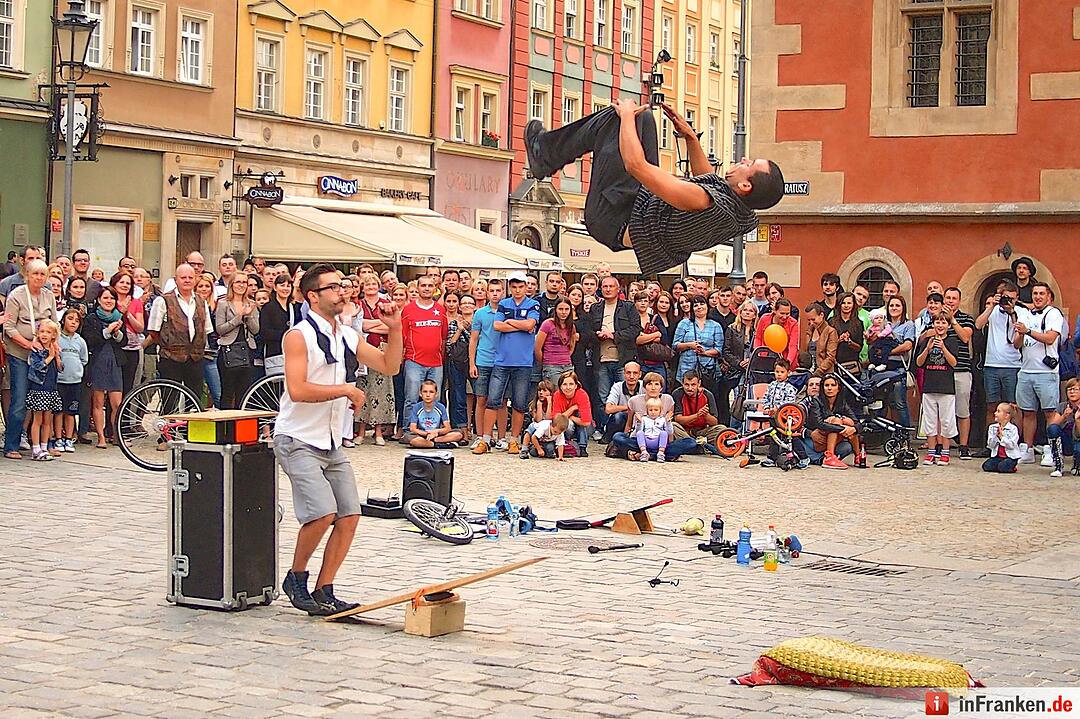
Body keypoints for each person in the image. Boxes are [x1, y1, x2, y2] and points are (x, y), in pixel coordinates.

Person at [524, 101, 783, 276]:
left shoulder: (701, 200)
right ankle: (546, 154)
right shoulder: (738, 210)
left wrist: (625, 117)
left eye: (749, 164)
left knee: (616, 119)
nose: (744, 160)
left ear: (746, 185)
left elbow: (635, 165)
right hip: (636, 206)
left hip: (612, 219)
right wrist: (691, 138)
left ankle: (544, 154)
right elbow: (708, 179)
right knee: (644, 118)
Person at [276, 263, 403, 617]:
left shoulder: (346, 333)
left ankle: (325, 588)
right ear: (313, 296)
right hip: (297, 437)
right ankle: (296, 577)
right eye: (332, 287)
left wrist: (395, 329)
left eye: (342, 286)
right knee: (321, 512)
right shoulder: (298, 335)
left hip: (331, 439)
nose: (341, 291)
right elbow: (298, 390)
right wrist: (345, 389)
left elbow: (388, 365)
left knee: (349, 514)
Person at [475, 272, 539, 456]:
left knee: (519, 403)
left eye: (521, 287)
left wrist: (510, 322)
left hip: (523, 361)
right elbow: (498, 326)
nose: (517, 290)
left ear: (526, 287)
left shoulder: (533, 304)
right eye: (514, 287)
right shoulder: (504, 304)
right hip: (502, 360)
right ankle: (485, 440)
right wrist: (520, 324)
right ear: (510, 287)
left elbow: (531, 325)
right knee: (493, 400)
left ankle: (514, 440)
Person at [4, 259, 57, 459]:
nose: (39, 278)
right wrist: (28, 344)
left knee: (43, 400)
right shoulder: (16, 296)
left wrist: (54, 349)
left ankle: (42, 443)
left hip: (44, 356)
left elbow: (54, 324)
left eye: (42, 275)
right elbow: (8, 328)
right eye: (35, 274)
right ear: (27, 275)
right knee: (19, 399)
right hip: (20, 354)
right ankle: (11, 445)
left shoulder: (48, 295)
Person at [1012, 281, 1062, 464]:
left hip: (1046, 372)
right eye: (1035, 294)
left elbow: (1050, 338)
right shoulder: (1025, 314)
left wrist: (1028, 331)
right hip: (1026, 370)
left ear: (1048, 297)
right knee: (1028, 412)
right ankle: (1028, 449)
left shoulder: (1053, 314)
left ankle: (1051, 450)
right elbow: (1017, 344)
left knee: (1050, 412)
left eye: (1042, 293)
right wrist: (1020, 334)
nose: (1038, 297)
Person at [147, 263, 212, 401]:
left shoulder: (202, 302)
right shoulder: (163, 300)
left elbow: (206, 329)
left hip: (195, 358)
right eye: (183, 277)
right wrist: (169, 344)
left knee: (194, 401)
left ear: (195, 279)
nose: (187, 280)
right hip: (171, 358)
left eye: (190, 277)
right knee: (170, 401)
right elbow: (154, 331)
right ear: (176, 280)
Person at [610, 372, 699, 461]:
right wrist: (627, 444)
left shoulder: (668, 399)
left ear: (661, 388)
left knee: (691, 442)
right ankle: (658, 455)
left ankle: (650, 455)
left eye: (656, 384)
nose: (653, 387)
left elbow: (669, 430)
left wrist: (669, 443)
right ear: (644, 387)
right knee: (618, 437)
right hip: (640, 440)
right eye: (649, 384)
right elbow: (629, 424)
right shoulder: (634, 401)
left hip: (661, 441)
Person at [975, 280, 1022, 446]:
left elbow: (1017, 341)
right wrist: (991, 305)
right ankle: (990, 444)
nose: (1008, 302)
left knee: (1013, 407)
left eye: (1012, 298)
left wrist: (1012, 313)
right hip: (991, 365)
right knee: (991, 407)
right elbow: (978, 324)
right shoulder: (993, 310)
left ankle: (1014, 443)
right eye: (1005, 298)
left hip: (1012, 365)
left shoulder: (1020, 312)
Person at [400, 274, 448, 437]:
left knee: (436, 398)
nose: (427, 288)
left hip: (436, 363)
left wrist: (440, 358)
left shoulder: (440, 310)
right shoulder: (408, 310)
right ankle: (408, 430)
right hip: (414, 361)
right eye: (423, 285)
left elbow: (443, 337)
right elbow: (403, 335)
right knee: (412, 398)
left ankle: (433, 430)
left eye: (430, 285)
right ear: (417, 288)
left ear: (435, 288)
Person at [589, 276, 637, 437]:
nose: (608, 289)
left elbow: (635, 329)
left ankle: (623, 429)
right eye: (605, 286)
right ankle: (605, 430)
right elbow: (588, 331)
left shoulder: (628, 307)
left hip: (622, 359)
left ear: (618, 289)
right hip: (601, 359)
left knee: (622, 396)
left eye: (611, 286)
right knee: (603, 397)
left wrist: (614, 335)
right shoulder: (595, 308)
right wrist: (597, 334)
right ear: (600, 289)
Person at [354, 275, 396, 445]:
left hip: (382, 350)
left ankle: (378, 431)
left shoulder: (385, 303)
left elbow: (390, 326)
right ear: (362, 287)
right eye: (367, 284)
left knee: (381, 391)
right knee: (363, 388)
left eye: (374, 284)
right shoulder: (359, 304)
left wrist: (373, 324)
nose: (371, 286)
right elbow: (360, 325)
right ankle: (362, 431)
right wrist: (378, 323)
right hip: (363, 350)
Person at [82, 287, 125, 449]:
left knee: (117, 403)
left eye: (112, 298)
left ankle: (115, 435)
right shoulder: (91, 318)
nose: (109, 301)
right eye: (106, 298)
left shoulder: (120, 317)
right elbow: (90, 340)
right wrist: (107, 331)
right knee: (98, 402)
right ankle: (100, 437)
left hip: (115, 361)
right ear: (99, 300)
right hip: (98, 361)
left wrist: (117, 333)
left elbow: (124, 341)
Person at [916, 312, 959, 466]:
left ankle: (945, 452)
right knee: (930, 420)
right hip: (930, 386)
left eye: (943, 323)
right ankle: (931, 452)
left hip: (946, 388)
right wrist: (927, 349)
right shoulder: (928, 340)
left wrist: (943, 348)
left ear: (948, 325)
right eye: (938, 323)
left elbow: (954, 363)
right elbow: (919, 362)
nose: (940, 326)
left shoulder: (952, 341)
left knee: (946, 420)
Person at [215, 271, 260, 410]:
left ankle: (240, 430)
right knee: (228, 392)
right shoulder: (223, 304)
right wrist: (239, 317)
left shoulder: (252, 304)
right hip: (228, 350)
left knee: (244, 393)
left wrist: (249, 315)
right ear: (232, 284)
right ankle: (225, 429)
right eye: (238, 282)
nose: (241, 285)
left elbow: (256, 330)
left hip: (247, 351)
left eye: (244, 282)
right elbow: (220, 329)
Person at [942, 287, 976, 459]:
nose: (950, 301)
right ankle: (942, 444)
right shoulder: (937, 317)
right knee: (942, 410)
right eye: (948, 297)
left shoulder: (966, 318)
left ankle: (963, 445)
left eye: (954, 298)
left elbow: (965, 337)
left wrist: (953, 321)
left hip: (961, 370)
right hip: (941, 370)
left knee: (963, 410)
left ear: (959, 301)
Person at [758, 358, 809, 468]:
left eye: (782, 372)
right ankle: (772, 458)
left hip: (785, 418)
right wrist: (767, 407)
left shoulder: (790, 388)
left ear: (788, 373)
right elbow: (766, 398)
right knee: (773, 436)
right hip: (773, 416)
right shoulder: (771, 385)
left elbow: (789, 402)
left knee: (790, 437)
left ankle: (804, 457)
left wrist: (777, 408)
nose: (779, 375)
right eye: (777, 372)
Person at [808, 373, 862, 469]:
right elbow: (819, 423)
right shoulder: (816, 401)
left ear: (838, 388)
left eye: (833, 385)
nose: (829, 388)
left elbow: (857, 423)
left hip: (835, 438)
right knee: (836, 420)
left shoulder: (841, 402)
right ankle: (829, 457)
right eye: (826, 385)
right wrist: (842, 428)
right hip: (819, 437)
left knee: (849, 422)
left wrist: (852, 429)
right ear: (822, 388)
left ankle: (858, 456)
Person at [27, 319, 62, 461]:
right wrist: (50, 357)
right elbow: (36, 366)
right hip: (39, 388)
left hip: (51, 388)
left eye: (48, 332)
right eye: (42, 331)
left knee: (48, 419)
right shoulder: (37, 350)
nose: (44, 335)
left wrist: (57, 357)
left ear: (54, 335)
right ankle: (35, 448)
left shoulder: (54, 348)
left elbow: (60, 368)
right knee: (37, 419)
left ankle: (44, 445)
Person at [673, 295, 724, 394]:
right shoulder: (684, 323)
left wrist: (705, 352)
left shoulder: (715, 326)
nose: (699, 307)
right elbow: (675, 345)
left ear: (707, 306)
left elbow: (719, 350)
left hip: (707, 370)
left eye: (702, 304)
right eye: (696, 305)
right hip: (686, 368)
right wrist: (689, 345)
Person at [56, 309, 87, 453]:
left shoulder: (80, 341)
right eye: (70, 318)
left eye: (76, 320)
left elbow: (84, 359)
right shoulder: (57, 338)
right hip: (59, 381)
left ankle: (69, 439)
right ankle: (58, 439)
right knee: (58, 412)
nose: (73, 322)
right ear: (63, 320)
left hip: (75, 382)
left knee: (71, 412)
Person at [109, 272, 144, 396]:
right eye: (122, 282)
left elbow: (140, 327)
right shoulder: (109, 300)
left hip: (132, 349)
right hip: (114, 348)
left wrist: (128, 314)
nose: (125, 285)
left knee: (128, 386)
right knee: (113, 387)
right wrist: (120, 310)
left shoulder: (136, 302)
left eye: (128, 283)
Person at [670, 369, 723, 450]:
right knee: (672, 426)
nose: (690, 388)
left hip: (702, 432)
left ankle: (693, 445)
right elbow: (678, 419)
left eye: (693, 385)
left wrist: (706, 415)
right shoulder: (677, 393)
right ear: (682, 384)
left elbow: (715, 422)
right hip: (685, 431)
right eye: (687, 385)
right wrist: (697, 415)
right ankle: (698, 445)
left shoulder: (707, 395)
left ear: (699, 384)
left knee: (721, 429)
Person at [884, 296, 916, 428]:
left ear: (903, 308)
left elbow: (908, 345)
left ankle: (905, 434)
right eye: (892, 305)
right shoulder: (883, 324)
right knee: (887, 403)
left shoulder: (908, 325)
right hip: (884, 369)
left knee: (899, 403)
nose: (894, 308)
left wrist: (888, 352)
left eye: (897, 305)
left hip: (898, 369)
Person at [442, 291, 470, 433]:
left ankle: (460, 427)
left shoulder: (464, 318)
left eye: (454, 301)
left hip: (460, 359)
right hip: (443, 358)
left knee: (458, 394)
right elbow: (448, 343)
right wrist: (459, 330)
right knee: (442, 393)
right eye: (449, 301)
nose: (452, 304)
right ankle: (443, 425)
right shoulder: (441, 318)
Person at [407, 379, 464, 449]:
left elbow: (447, 428)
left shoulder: (441, 407)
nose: (428, 395)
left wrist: (436, 432)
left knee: (459, 434)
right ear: (420, 393)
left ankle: (431, 443)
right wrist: (427, 433)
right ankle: (438, 445)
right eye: (425, 392)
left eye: (431, 392)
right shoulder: (417, 407)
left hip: (437, 435)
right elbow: (413, 428)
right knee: (411, 439)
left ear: (436, 394)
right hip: (422, 435)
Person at [194, 274, 222, 409]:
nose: (204, 289)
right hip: (196, 353)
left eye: (207, 286)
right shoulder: (192, 305)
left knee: (217, 393)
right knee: (196, 394)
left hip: (212, 353)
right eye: (200, 286)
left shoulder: (218, 305)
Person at [536, 296, 577, 385]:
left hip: (567, 365)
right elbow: (537, 348)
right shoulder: (547, 324)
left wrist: (565, 356)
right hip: (551, 366)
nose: (563, 312)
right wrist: (546, 362)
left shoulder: (571, 326)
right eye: (560, 309)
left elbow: (572, 345)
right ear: (556, 310)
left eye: (566, 309)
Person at [551, 370, 592, 457]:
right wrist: (572, 409)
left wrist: (572, 417)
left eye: (571, 384)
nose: (568, 387)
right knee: (567, 423)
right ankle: (566, 444)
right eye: (565, 384)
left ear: (576, 385)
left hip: (585, 427)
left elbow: (586, 422)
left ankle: (582, 447)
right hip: (565, 427)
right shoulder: (557, 395)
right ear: (560, 386)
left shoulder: (582, 395)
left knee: (579, 419)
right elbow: (556, 419)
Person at [601, 362, 644, 444]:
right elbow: (608, 409)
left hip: (639, 420)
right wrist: (630, 407)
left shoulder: (645, 386)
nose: (631, 376)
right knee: (618, 416)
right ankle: (610, 439)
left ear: (640, 374)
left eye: (635, 373)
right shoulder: (617, 386)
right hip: (622, 421)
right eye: (628, 373)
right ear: (624, 374)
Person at [630, 290, 669, 380]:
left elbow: (663, 338)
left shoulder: (655, 317)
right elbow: (635, 340)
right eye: (640, 301)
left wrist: (644, 337)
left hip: (656, 361)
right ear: (635, 303)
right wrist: (654, 335)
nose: (643, 303)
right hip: (638, 360)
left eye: (645, 301)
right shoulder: (630, 318)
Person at [1045, 379, 1080, 477]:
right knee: (1053, 429)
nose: (1072, 392)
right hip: (1066, 440)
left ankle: (1077, 465)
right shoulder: (1062, 406)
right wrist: (1064, 416)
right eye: (1069, 389)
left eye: (1075, 389)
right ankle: (1058, 466)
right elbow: (1052, 426)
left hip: (1078, 440)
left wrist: (1077, 420)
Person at [261, 274, 294, 376]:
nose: (285, 288)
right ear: (275, 287)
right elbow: (265, 332)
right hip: (275, 352)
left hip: (292, 353)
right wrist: (287, 335)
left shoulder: (294, 308)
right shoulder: (268, 307)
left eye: (288, 286)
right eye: (282, 285)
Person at [754, 298, 799, 368]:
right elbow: (758, 338)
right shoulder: (764, 319)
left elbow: (793, 346)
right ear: (775, 310)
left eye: (787, 313)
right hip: (765, 358)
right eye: (782, 313)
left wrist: (787, 363)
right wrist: (758, 355)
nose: (785, 317)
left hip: (784, 359)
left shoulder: (793, 323)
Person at [829, 292, 864, 373]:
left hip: (852, 365)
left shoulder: (858, 324)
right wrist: (838, 340)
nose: (846, 305)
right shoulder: (831, 322)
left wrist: (849, 342)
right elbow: (827, 345)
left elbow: (859, 347)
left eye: (849, 303)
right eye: (843, 303)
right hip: (835, 363)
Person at [983, 402, 1022, 473]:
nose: (995, 413)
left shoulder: (1013, 429)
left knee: (1003, 467)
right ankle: (1000, 466)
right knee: (987, 466)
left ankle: (1011, 467)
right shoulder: (992, 427)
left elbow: (1012, 445)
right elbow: (990, 445)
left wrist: (1002, 437)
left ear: (1007, 415)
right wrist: (995, 436)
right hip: (997, 456)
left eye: (998, 411)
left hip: (1010, 457)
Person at [804, 302, 838, 377]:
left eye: (813, 319)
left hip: (824, 373)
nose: (811, 323)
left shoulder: (831, 331)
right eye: (809, 320)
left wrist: (818, 372)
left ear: (821, 315)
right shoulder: (809, 331)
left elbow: (830, 357)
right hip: (809, 371)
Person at [633, 397, 670, 462]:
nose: (653, 412)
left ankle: (661, 453)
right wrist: (639, 422)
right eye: (650, 410)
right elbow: (638, 432)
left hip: (658, 442)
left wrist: (668, 423)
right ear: (647, 411)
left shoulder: (663, 419)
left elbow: (669, 432)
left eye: (656, 410)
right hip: (646, 441)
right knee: (639, 433)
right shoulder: (644, 419)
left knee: (664, 433)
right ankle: (644, 453)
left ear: (660, 411)